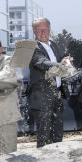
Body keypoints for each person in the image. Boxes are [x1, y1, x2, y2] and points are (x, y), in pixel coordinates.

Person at [27, 18, 72, 147]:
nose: (42, 33)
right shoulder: (32, 47)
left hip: (56, 95)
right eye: (39, 30)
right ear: (34, 32)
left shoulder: (54, 45)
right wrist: (59, 65)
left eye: (45, 29)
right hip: (41, 98)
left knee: (57, 133)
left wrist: (65, 60)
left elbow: (60, 59)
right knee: (44, 135)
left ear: (49, 30)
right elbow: (41, 62)